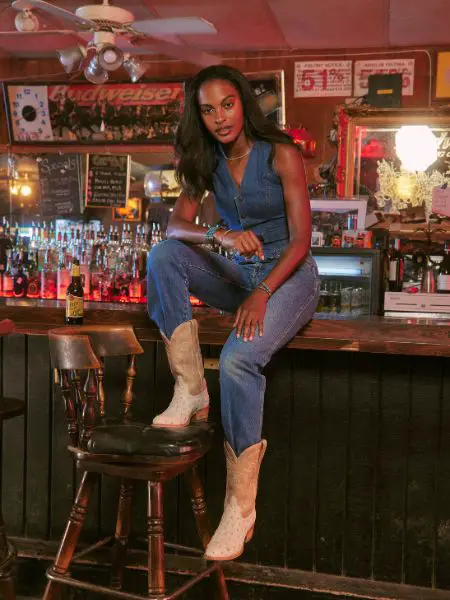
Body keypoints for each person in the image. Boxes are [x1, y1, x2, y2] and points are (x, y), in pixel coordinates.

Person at [147, 65, 320, 561]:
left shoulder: (280, 152)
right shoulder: (206, 160)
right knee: (163, 256)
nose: (220, 117)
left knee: (239, 359)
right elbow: (176, 227)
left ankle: (240, 507)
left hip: (289, 275)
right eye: (208, 110)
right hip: (239, 274)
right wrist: (217, 235)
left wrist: (263, 290)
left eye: (227, 104)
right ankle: (190, 390)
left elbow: (302, 240)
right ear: (199, 117)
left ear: (243, 103)